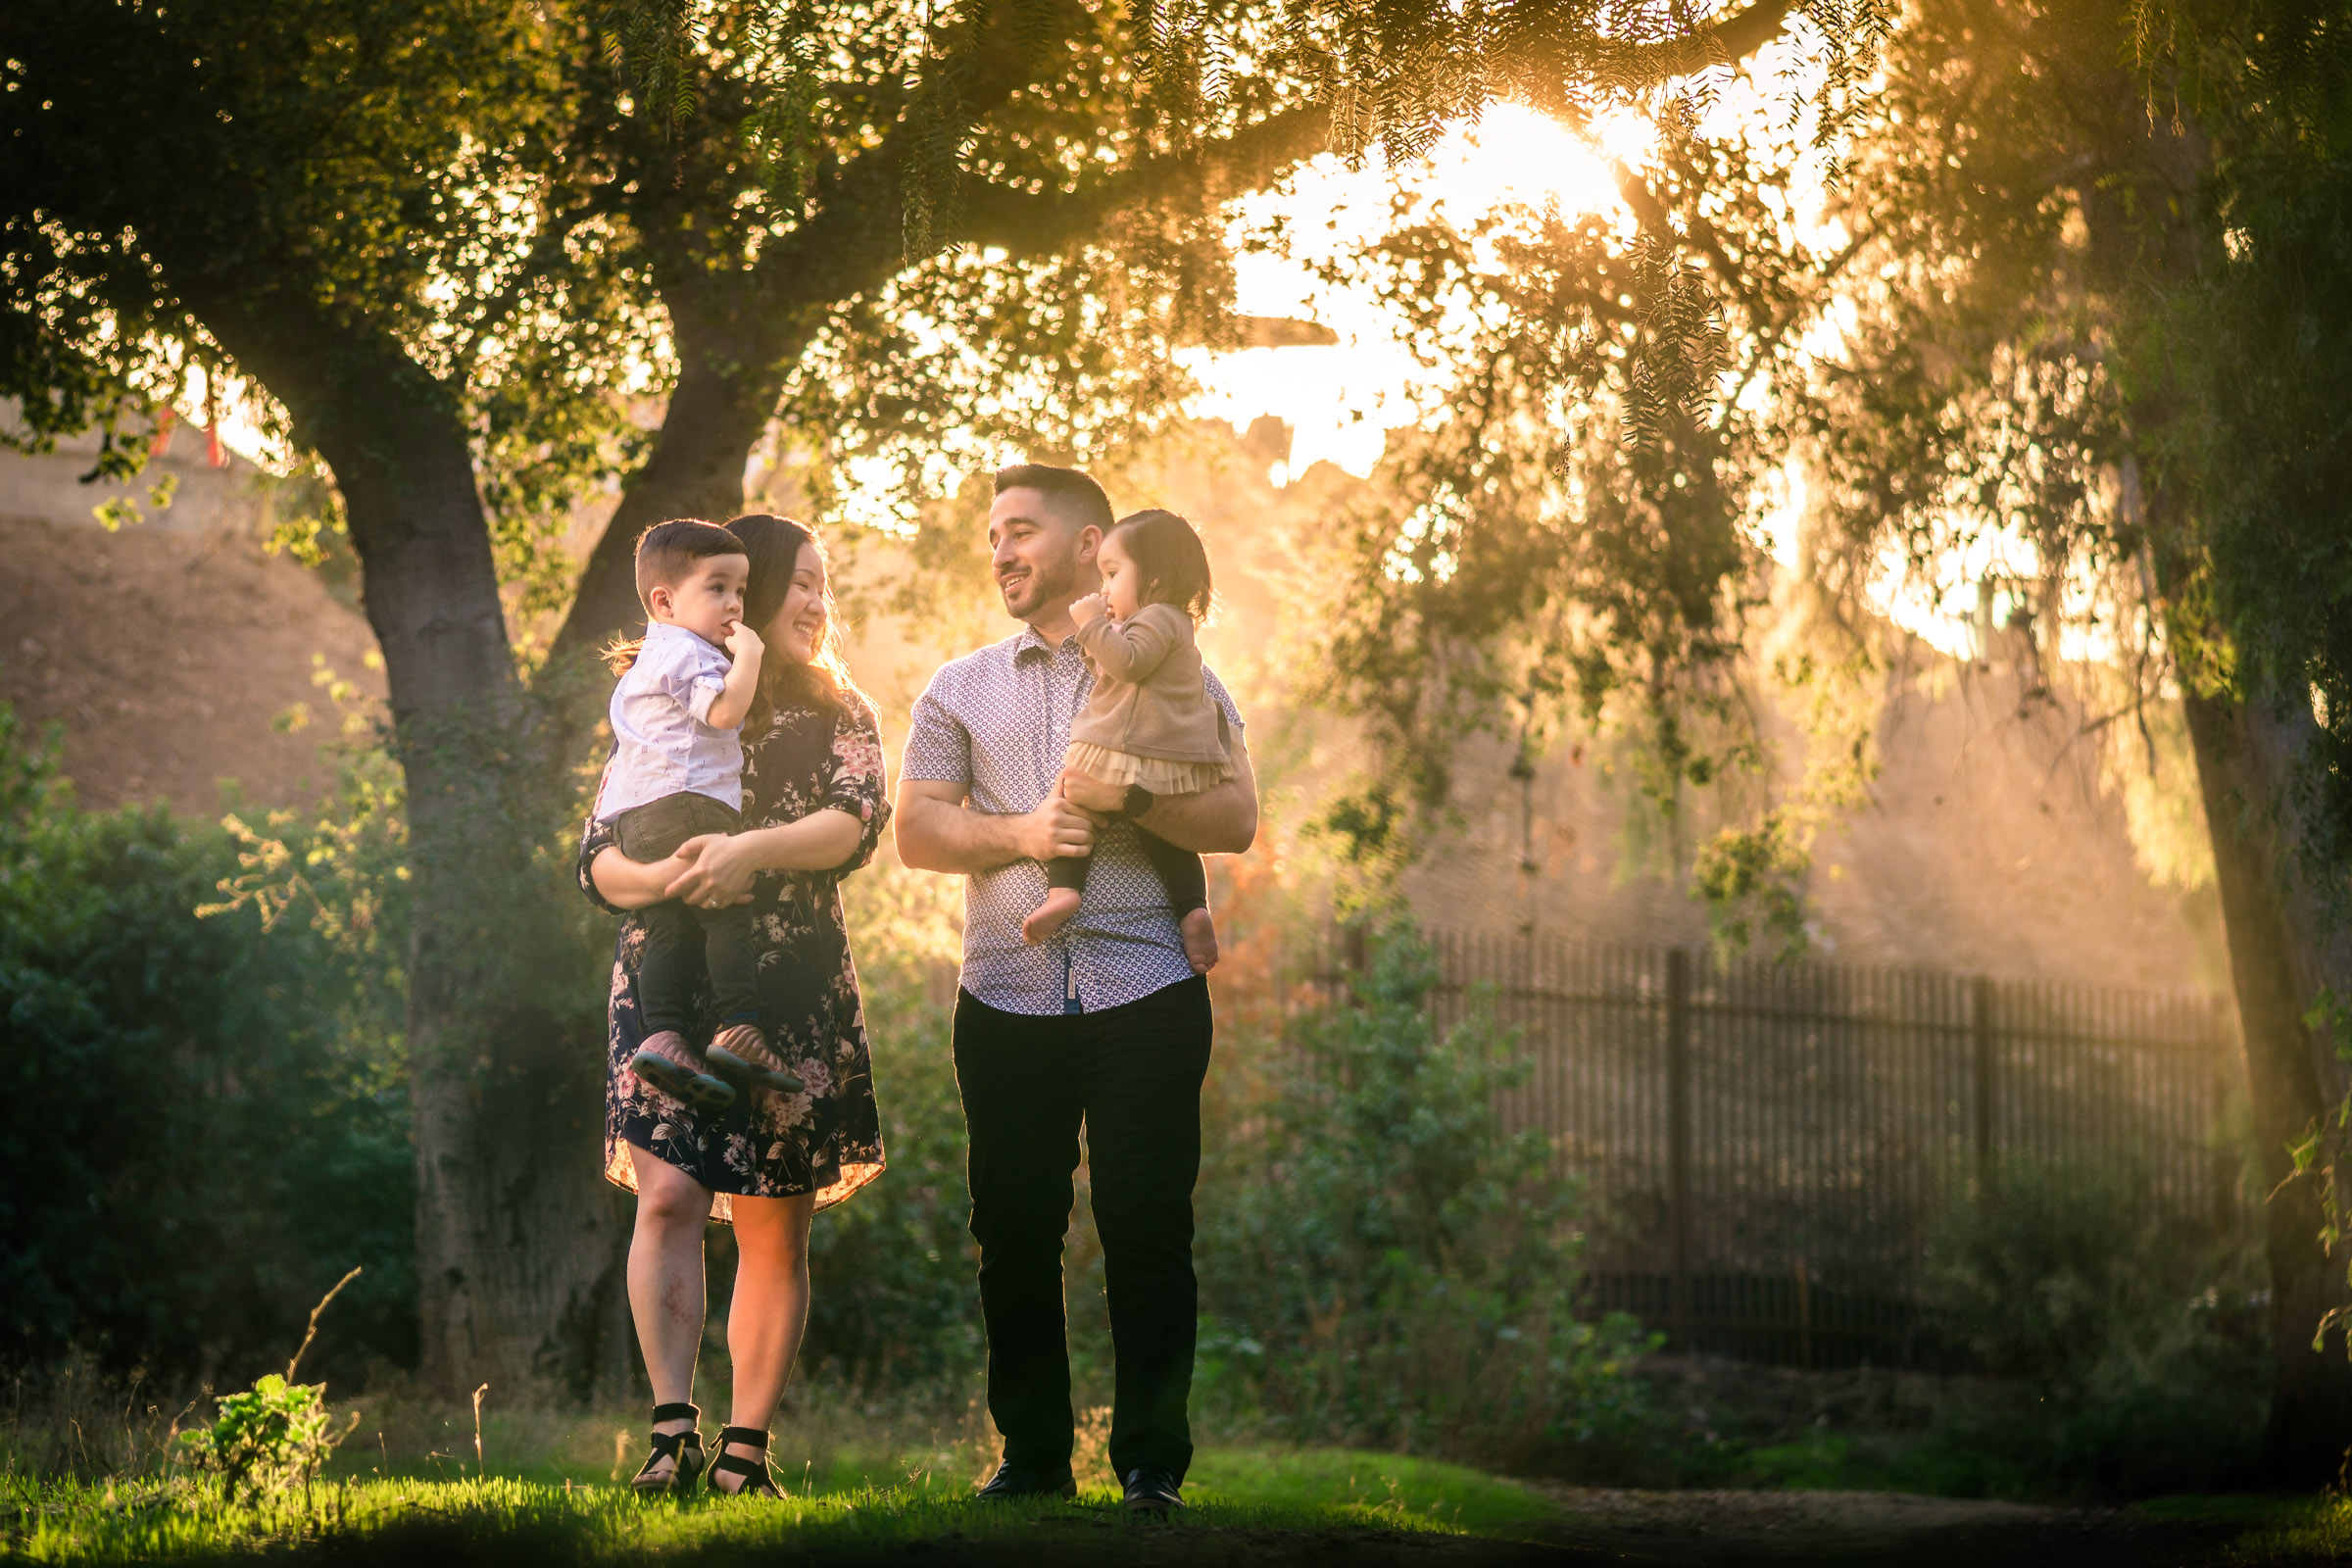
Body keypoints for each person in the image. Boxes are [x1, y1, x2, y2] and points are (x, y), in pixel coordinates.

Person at [895, 464, 1258, 1515]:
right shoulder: (957, 688)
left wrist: (1131, 795)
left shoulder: (1183, 671)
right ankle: (1035, 1458)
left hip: (1146, 984)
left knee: (1147, 1226)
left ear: (1091, 542)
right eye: (992, 535)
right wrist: (1021, 832)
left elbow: (1234, 820)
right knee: (1012, 1228)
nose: (1001, 550)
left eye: (1021, 530)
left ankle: (1151, 1465)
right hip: (1005, 990)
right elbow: (917, 831)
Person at [579, 514, 892, 1499]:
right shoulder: (663, 690)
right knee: (667, 1196)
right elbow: (594, 855)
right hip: (666, 982)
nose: (815, 600)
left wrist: (744, 851)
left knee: (771, 1221)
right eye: (797, 582)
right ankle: (671, 1434)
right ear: (742, 589)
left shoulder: (837, 708)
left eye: (821, 585)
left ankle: (745, 1455)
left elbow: (854, 823)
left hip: (788, 988)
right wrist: (661, 873)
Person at [596, 518, 801, 1109]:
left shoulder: (652, 657)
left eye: (740, 589)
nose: (734, 603)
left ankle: (663, 1035)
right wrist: (751, 654)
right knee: (725, 908)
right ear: (664, 600)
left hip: (639, 814)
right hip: (687, 800)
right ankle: (740, 1026)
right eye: (717, 588)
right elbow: (724, 713)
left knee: (668, 924)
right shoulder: (687, 652)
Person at [1020, 508, 1228, 978]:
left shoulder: (1162, 619)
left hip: (1129, 752)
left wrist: (1091, 627)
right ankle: (1191, 907)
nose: (1104, 589)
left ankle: (1065, 891)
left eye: (1113, 575)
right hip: (1144, 753)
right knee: (1166, 840)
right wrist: (1104, 639)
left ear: (1155, 578)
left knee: (1071, 807)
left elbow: (1128, 664)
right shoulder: (1158, 624)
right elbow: (1117, 675)